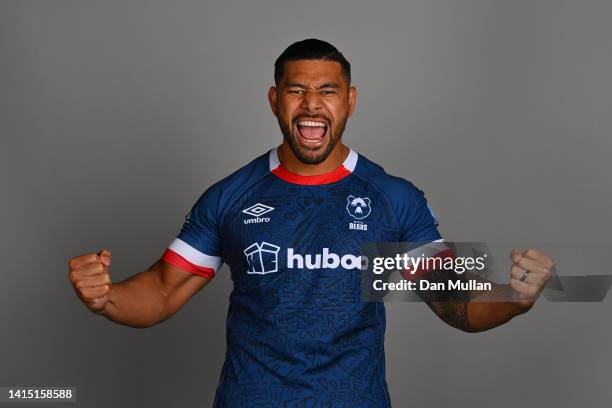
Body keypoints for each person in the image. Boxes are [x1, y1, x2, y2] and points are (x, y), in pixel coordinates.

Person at [67, 39, 554, 407]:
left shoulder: (391, 198)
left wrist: (515, 298)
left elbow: (456, 304)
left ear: (350, 100)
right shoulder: (232, 196)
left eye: (327, 91)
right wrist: (107, 297)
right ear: (275, 99)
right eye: (297, 90)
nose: (312, 104)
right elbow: (163, 289)